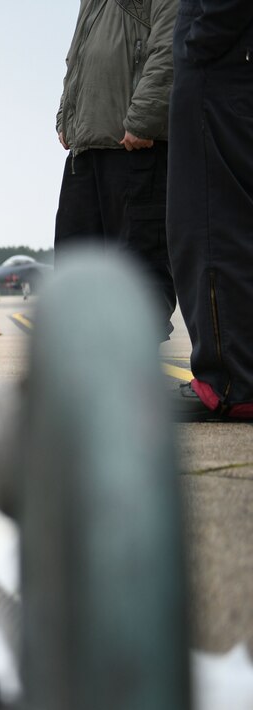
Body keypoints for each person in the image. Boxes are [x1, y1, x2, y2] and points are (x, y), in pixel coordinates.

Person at [54, 0, 179, 341]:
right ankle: (84, 367)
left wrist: (144, 119)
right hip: (86, 146)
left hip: (136, 146)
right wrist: (66, 115)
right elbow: (78, 53)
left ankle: (135, 371)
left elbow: (169, 46)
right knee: (76, 266)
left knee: (138, 269)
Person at [167, 0, 253, 420]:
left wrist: (193, 45)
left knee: (209, 224)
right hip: (228, 67)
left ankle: (227, 382)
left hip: (218, 71)